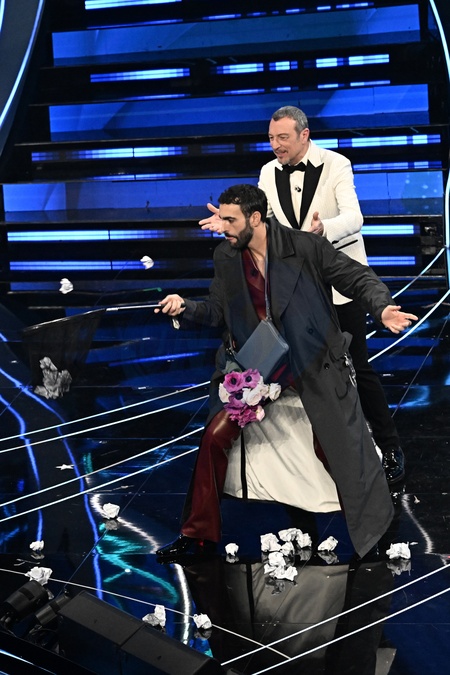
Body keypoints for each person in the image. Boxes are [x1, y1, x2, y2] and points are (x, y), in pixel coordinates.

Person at [155, 184, 417, 561]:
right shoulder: (226, 256)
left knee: (337, 447)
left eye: (230, 220)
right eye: (222, 219)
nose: (222, 227)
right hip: (258, 366)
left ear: (255, 218)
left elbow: (356, 277)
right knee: (214, 437)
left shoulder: (304, 247)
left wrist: (382, 308)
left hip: (311, 361)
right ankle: (197, 535)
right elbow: (217, 310)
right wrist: (185, 307)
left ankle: (375, 528)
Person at [200, 106, 406, 485]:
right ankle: (317, 460)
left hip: (338, 280)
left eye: (283, 138)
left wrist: (323, 230)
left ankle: (390, 446)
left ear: (304, 135)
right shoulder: (267, 172)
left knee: (357, 366)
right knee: (303, 371)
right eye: (271, 138)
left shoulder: (335, 164)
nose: (276, 145)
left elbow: (355, 217)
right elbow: (262, 222)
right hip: (296, 288)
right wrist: (232, 223)